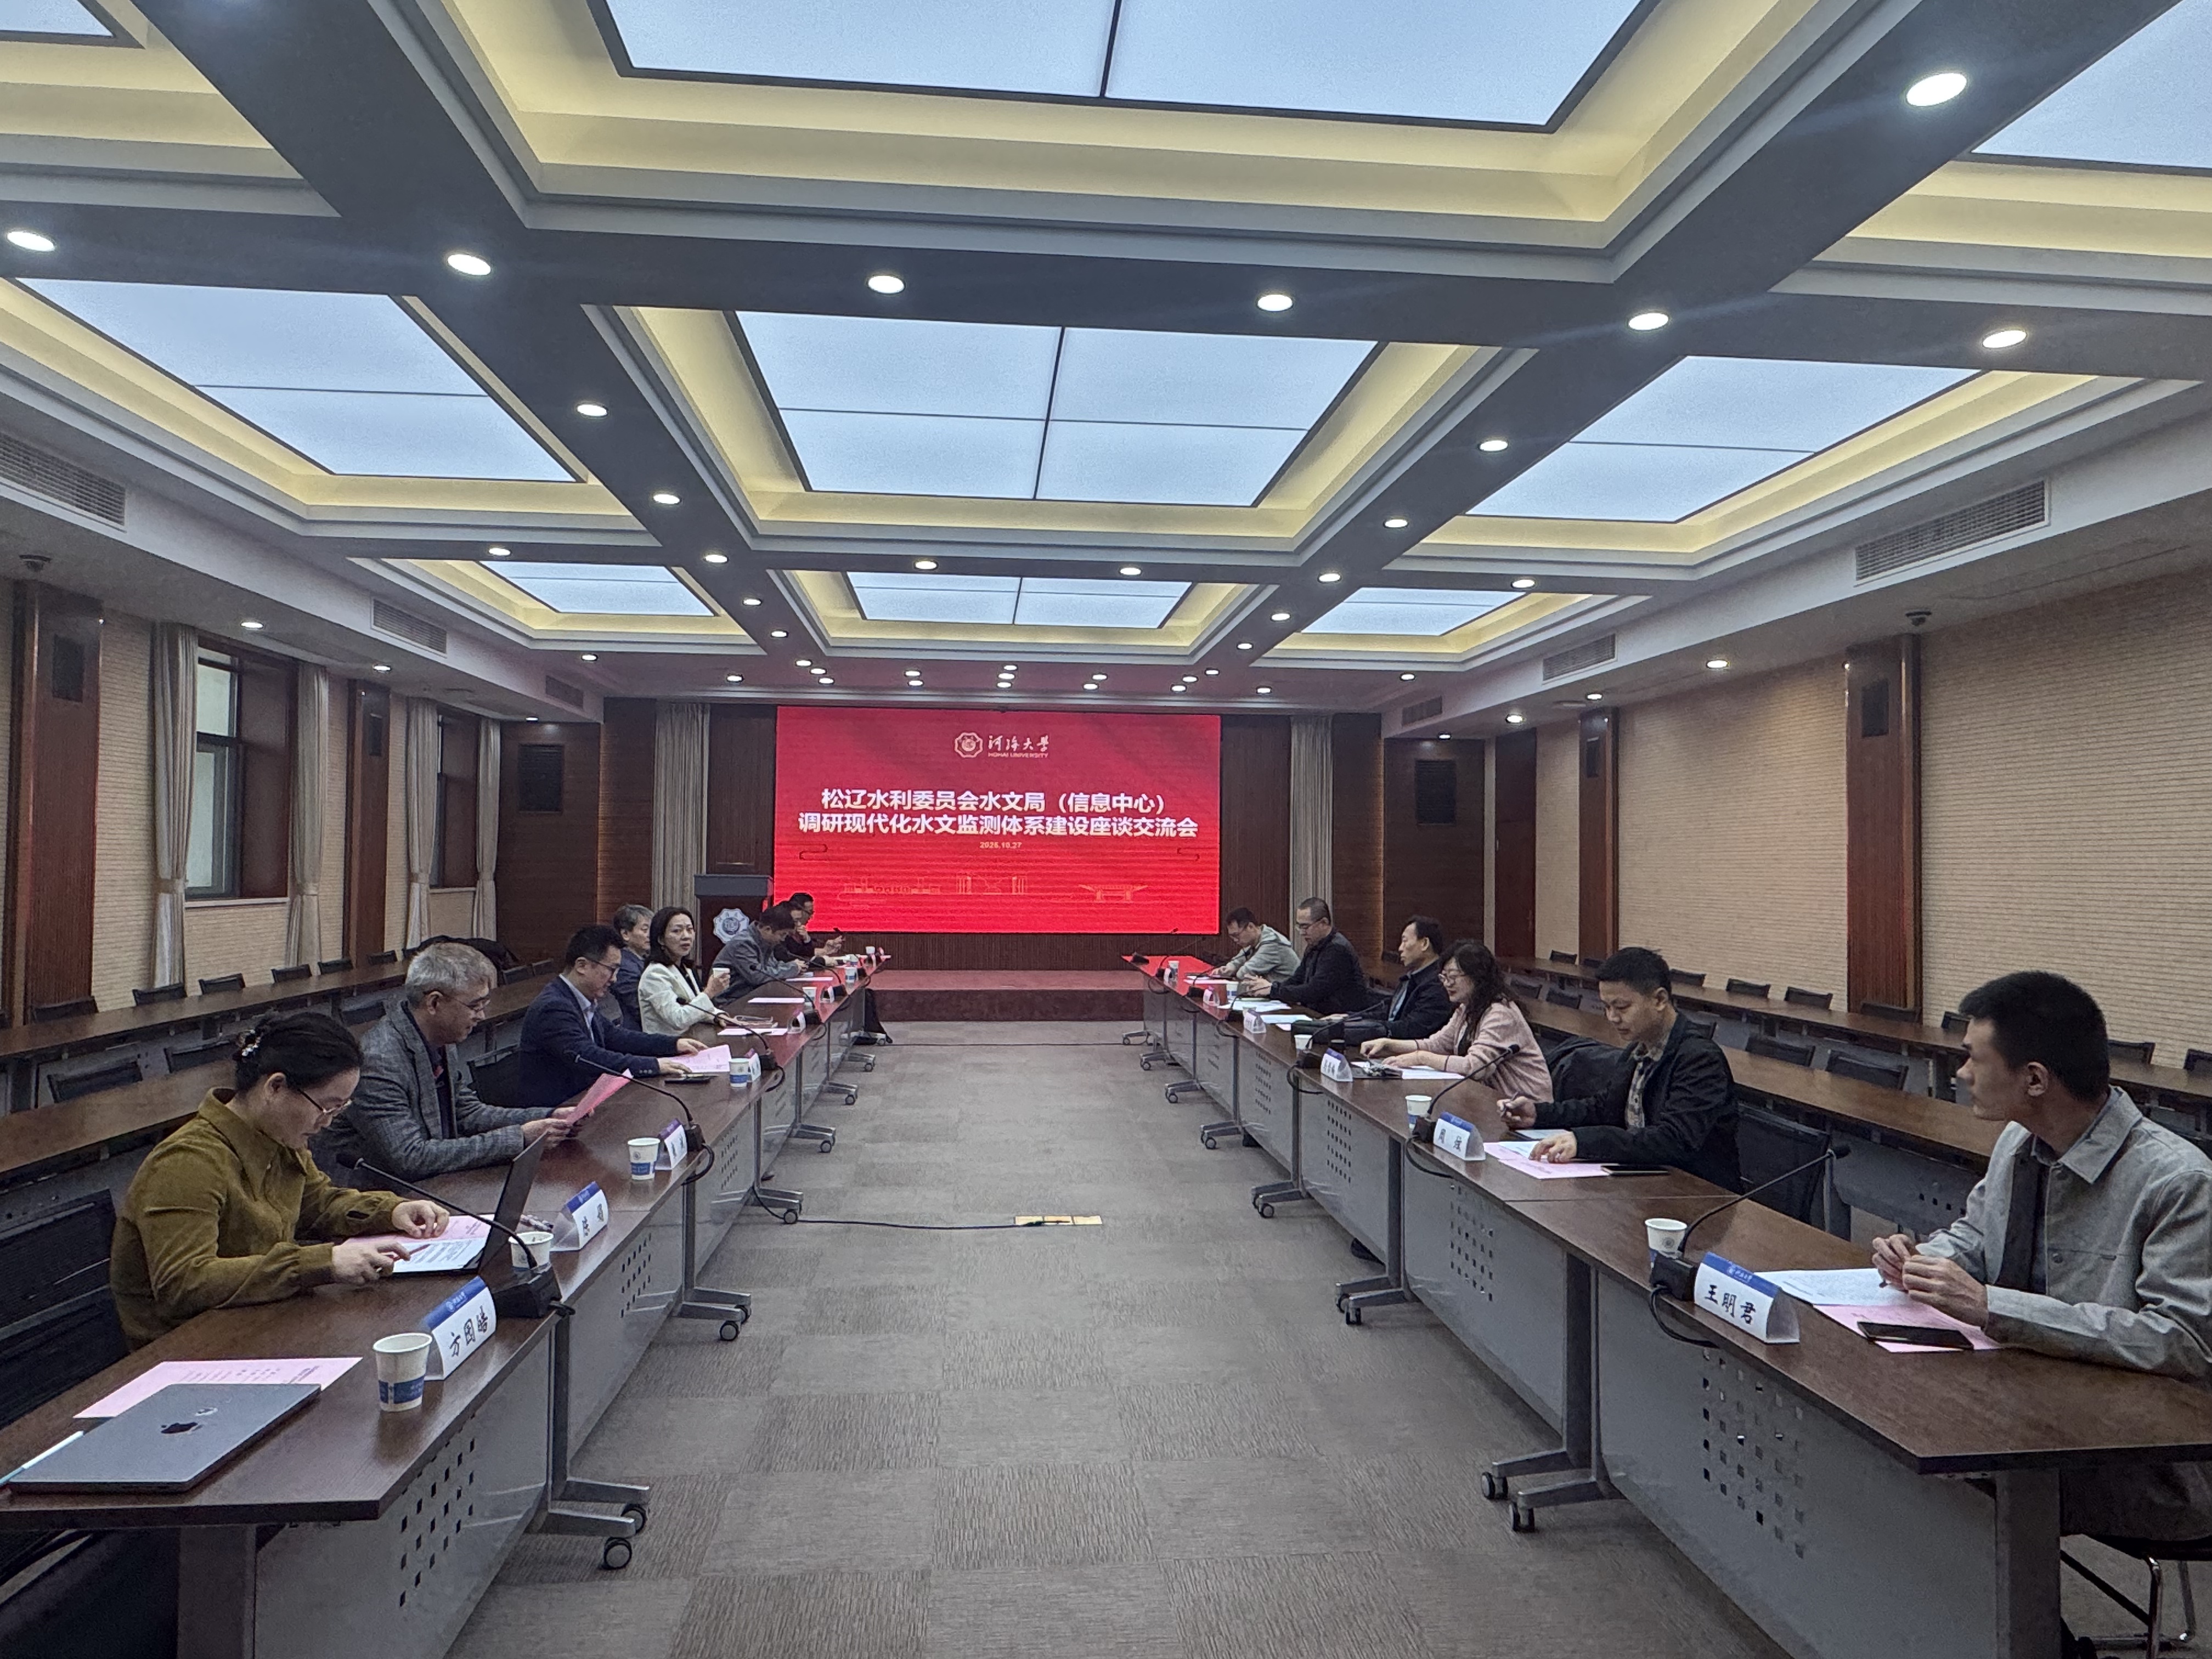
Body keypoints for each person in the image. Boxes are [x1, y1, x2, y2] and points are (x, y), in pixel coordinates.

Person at [1872, 971, 2212, 1543]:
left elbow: (2182, 1341)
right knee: (1889, 1431)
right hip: (2027, 1403)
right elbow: (1977, 1235)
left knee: (1933, 1487)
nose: (1960, 1073)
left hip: (2140, 1457)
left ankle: (2021, 1610)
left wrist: (1992, 1306)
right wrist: (1923, 1260)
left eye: (1974, 1058)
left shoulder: (2178, 1181)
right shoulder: (2019, 1140)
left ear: (2034, 1079)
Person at [109, 1013, 449, 1347]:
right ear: (275, 1087)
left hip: (259, 1316)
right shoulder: (187, 1162)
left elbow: (318, 1204)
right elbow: (184, 1283)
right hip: (188, 1348)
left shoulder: (280, 1138)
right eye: (325, 1107)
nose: (328, 1123)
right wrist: (323, 1262)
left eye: (339, 1110)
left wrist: (391, 1211)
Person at [314, 942, 573, 1181]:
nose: (482, 1016)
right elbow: (410, 1157)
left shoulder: (441, 1039)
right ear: (434, 1003)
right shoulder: (379, 1060)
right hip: (377, 1196)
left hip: (429, 1185)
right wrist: (519, 1138)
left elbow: (468, 1113)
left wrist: (548, 1117)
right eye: (475, 1006)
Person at [1499, 945, 1739, 1187]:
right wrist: (1539, 1114)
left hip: (1696, 1191)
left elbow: (1673, 1140)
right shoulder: (1638, 1049)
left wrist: (1585, 1142)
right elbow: (1604, 1108)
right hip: (1646, 1179)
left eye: (1622, 1007)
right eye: (1606, 1007)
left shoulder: (1700, 1060)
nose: (1612, 1017)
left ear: (1659, 1000)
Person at [517, 924, 706, 1109]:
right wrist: (653, 1065)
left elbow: (616, 1037)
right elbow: (590, 1057)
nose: (614, 979)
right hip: (558, 1109)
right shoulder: (554, 1007)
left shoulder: (580, 998)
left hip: (585, 1099)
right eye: (611, 969)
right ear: (582, 966)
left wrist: (672, 1045)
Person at [1362, 939, 1551, 1101]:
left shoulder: (1501, 1014)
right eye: (1444, 977)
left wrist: (1421, 1058)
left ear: (1478, 976)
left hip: (1527, 1110)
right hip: (1492, 1102)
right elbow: (1437, 1044)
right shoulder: (1466, 1008)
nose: (1447, 984)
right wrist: (1388, 1044)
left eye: (1453, 977)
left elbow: (1474, 1068)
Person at [1327, 916, 1453, 1043]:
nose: (1400, 948)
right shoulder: (1412, 977)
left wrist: (1368, 1028)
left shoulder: (1438, 984)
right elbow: (1389, 1014)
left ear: (1424, 944)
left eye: (1405, 941)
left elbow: (1413, 1028)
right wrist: (1350, 1018)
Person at [1240, 896, 1368, 1016]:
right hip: (1316, 1013)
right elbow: (1297, 979)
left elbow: (1314, 991)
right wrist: (1269, 988)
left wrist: (1273, 990)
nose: (1301, 933)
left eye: (1305, 927)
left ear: (1324, 923)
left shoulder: (1337, 949)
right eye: (1299, 926)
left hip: (1338, 1018)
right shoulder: (1314, 945)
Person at [638, 905, 732, 1035]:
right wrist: (710, 992)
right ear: (661, 939)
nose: (686, 936)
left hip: (692, 1040)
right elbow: (678, 1019)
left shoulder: (685, 968)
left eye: (690, 930)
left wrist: (717, 1016)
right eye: (677, 931)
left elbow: (695, 1008)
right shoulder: (654, 975)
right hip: (667, 1045)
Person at [714, 903, 814, 990]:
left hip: (748, 993)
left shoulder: (764, 941)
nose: (783, 939)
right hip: (730, 999)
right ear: (768, 929)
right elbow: (757, 976)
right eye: (782, 934)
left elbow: (773, 966)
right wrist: (792, 969)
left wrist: (793, 966)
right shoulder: (744, 943)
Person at [1217, 907, 1299, 984]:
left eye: (1237, 935)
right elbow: (1239, 960)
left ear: (1250, 927)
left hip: (1287, 992)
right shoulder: (1253, 942)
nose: (1235, 940)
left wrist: (1233, 974)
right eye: (1232, 936)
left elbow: (1245, 973)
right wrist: (1229, 968)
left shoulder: (1273, 944)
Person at [609, 904, 652, 1028]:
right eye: (645, 930)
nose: (650, 935)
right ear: (625, 934)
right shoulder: (623, 965)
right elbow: (640, 1008)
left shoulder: (644, 959)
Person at [777, 892, 845, 963]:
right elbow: (791, 959)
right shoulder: (782, 935)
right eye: (810, 913)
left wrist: (825, 950)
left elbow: (804, 954)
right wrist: (823, 961)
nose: (811, 917)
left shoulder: (799, 932)